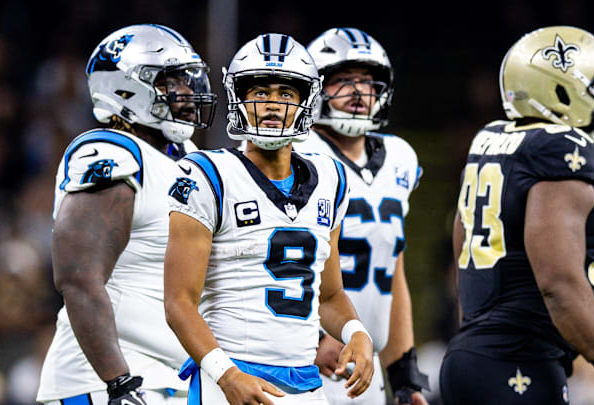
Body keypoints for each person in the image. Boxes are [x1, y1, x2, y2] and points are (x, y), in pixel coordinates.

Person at [163, 33, 374, 405]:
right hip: (231, 377)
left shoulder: (331, 179)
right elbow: (179, 301)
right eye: (260, 93)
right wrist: (226, 375)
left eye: (285, 94)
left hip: (307, 384)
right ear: (239, 99)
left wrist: (356, 332)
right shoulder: (207, 175)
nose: (272, 104)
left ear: (305, 101)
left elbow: (329, 294)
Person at [439, 26, 594, 405]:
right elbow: (559, 283)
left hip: (471, 357)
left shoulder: (490, 139)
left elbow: (461, 245)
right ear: (560, 88)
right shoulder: (561, 148)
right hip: (518, 364)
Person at [36, 24, 217, 405]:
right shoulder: (111, 153)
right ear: (125, 87)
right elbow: (78, 277)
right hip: (107, 381)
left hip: (171, 380)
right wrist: (119, 382)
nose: (188, 94)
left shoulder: (185, 163)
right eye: (172, 83)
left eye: (190, 82)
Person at [292, 28, 429, 405]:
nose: (358, 91)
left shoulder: (400, 157)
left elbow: (392, 269)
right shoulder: (296, 153)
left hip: (364, 369)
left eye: (368, 82)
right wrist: (315, 339)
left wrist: (403, 374)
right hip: (302, 361)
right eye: (343, 80)